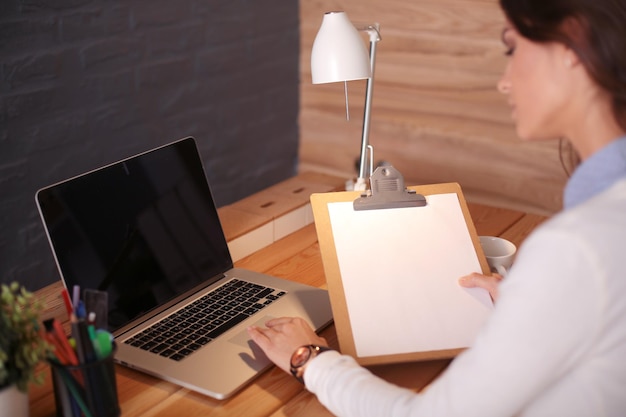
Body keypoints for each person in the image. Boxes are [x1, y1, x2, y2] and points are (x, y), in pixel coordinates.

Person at [247, 0, 626, 415]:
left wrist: (309, 359)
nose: (503, 82)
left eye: (512, 49)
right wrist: (541, 306)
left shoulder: (577, 247)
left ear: (573, 42)